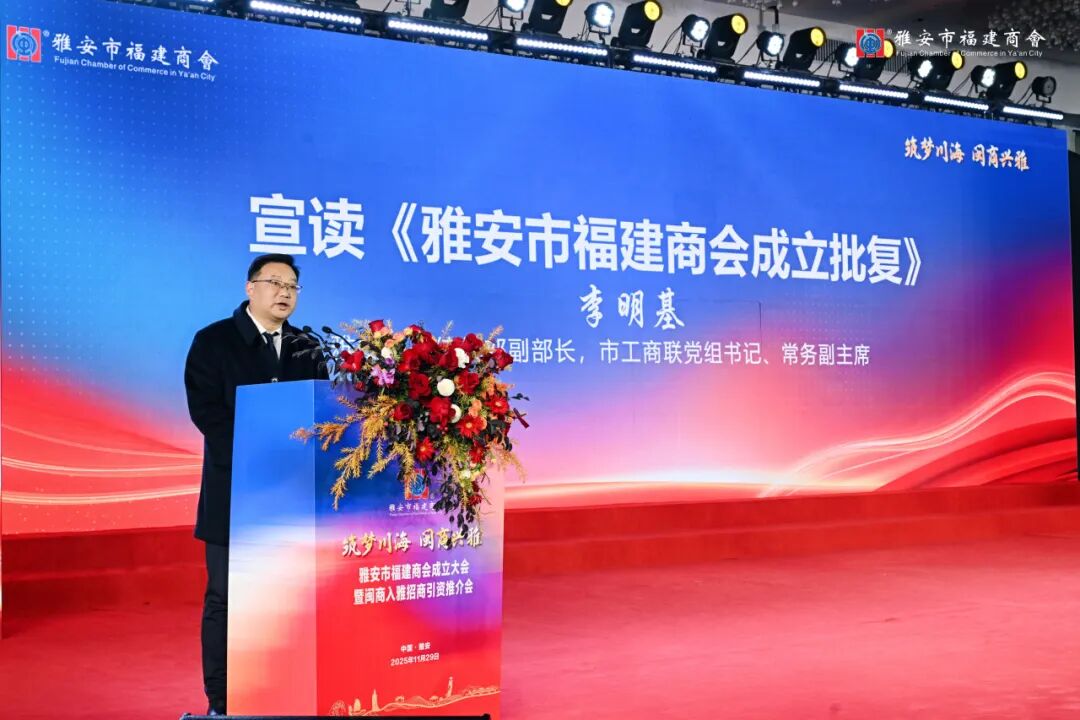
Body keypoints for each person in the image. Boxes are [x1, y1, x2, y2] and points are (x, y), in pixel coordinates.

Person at [184, 254, 327, 715]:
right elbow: (206, 412)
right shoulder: (213, 341)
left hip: (294, 496)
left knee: (288, 598)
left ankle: (284, 691)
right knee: (226, 598)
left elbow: (323, 413)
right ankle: (221, 701)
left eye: (292, 286)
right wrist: (258, 453)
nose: (284, 292)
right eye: (274, 282)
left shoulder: (307, 347)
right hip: (235, 493)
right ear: (250, 287)